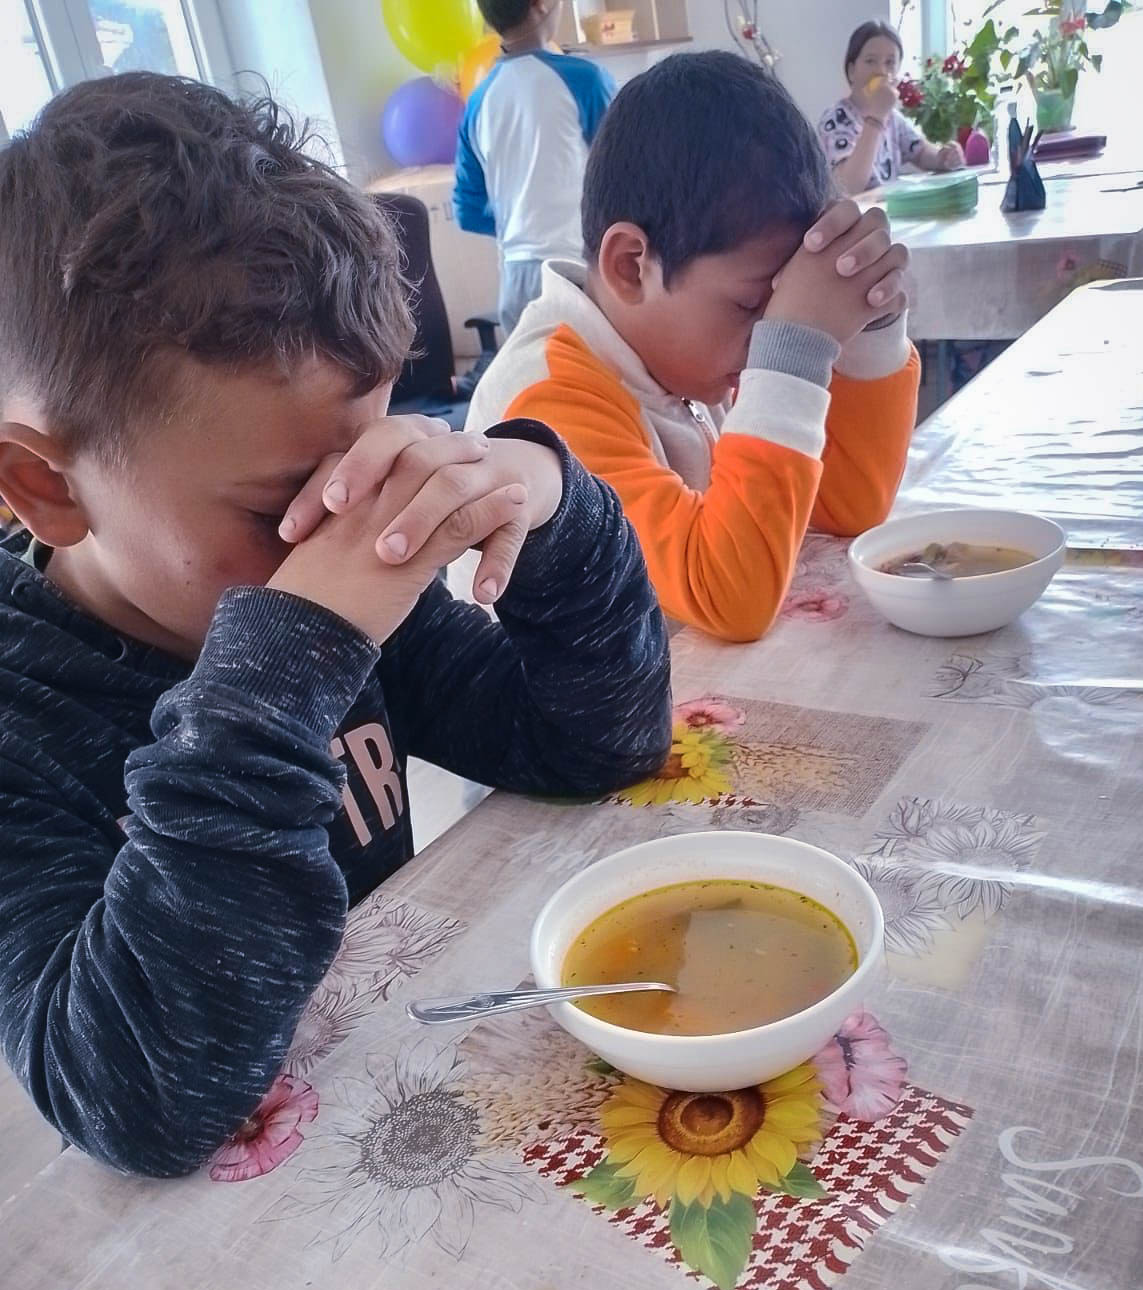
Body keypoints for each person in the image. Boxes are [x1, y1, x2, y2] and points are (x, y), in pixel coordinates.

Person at [0, 74, 671, 1179]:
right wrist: (286, 655)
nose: (348, 523)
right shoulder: (28, 722)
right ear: (46, 488)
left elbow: (595, 744)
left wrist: (553, 501)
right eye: (283, 509)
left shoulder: (347, 586)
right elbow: (141, 1099)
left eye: (365, 457)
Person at [467, 51, 920, 643]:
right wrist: (791, 354)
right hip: (541, 727)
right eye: (751, 305)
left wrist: (874, 328)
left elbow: (844, 509)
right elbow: (728, 595)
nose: (766, 337)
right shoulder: (546, 402)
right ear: (632, 266)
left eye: (780, 310)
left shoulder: (674, 354)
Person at [454, 0, 614, 334]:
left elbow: (467, 212)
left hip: (516, 280)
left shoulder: (479, 100)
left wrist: (523, 223)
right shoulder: (586, 79)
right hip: (577, 269)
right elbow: (625, 174)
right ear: (541, 5)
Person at [819, 20, 965, 195]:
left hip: (888, 215)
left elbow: (921, 152)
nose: (881, 71)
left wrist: (944, 158)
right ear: (851, 71)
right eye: (870, 61)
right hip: (853, 219)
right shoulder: (835, 120)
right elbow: (849, 188)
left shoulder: (893, 119)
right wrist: (876, 118)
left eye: (890, 62)